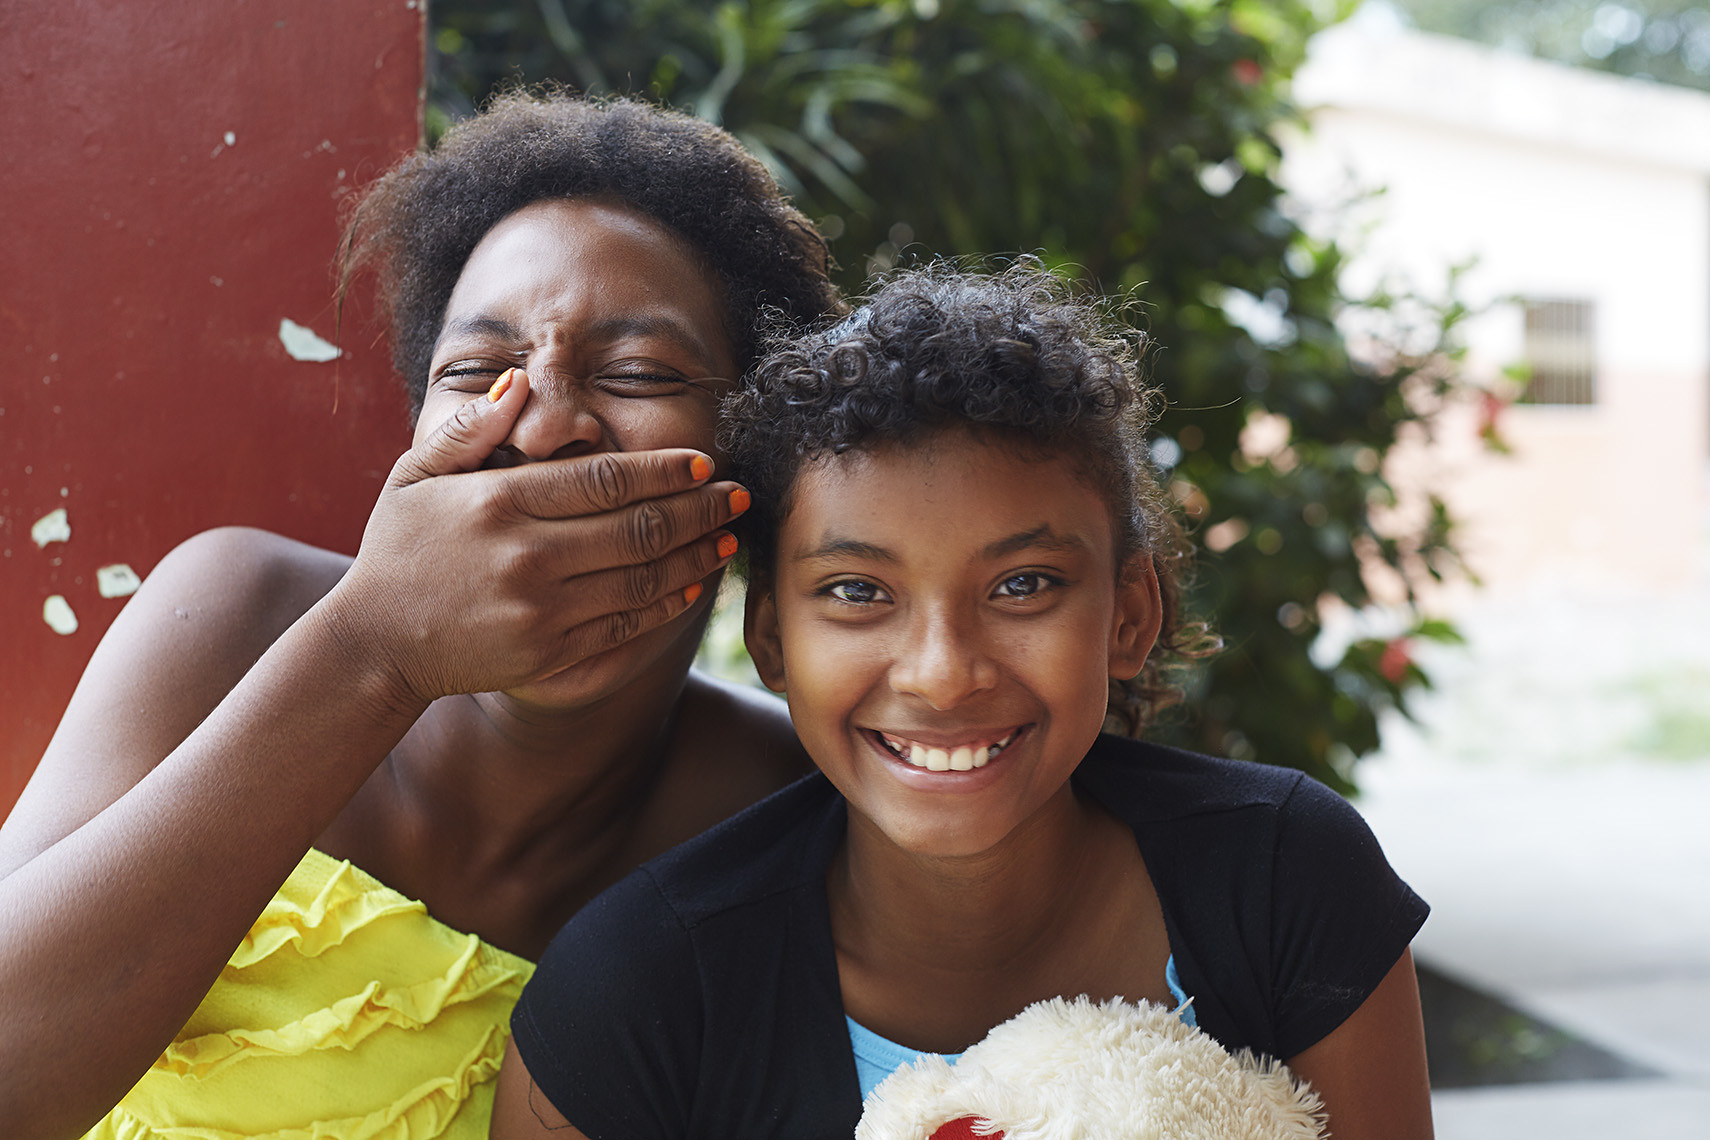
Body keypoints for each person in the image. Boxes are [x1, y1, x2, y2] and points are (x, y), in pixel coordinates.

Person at [0, 91, 844, 1140]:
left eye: (636, 373)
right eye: (477, 373)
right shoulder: (236, 616)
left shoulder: (792, 809)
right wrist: (374, 653)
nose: (538, 425)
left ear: (752, 455)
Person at [492, 264, 1435, 1140]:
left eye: (1022, 586)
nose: (942, 674)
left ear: (1129, 615)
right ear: (772, 640)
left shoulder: (1280, 878)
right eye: (858, 592)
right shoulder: (635, 993)